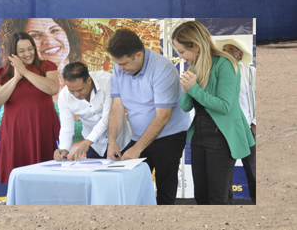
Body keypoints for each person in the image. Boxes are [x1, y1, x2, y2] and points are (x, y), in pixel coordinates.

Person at [173, 22, 255, 205]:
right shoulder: (194, 67)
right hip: (199, 136)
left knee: (218, 198)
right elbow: (185, 107)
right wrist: (187, 87)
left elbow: (225, 106)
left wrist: (193, 88)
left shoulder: (225, 63)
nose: (180, 57)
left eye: (181, 51)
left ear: (195, 46)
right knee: (201, 196)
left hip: (222, 136)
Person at [106, 28, 190, 205]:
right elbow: (117, 106)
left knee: (165, 189)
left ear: (138, 55)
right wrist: (112, 141)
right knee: (130, 188)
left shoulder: (163, 69)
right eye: (117, 64)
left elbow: (163, 116)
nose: (120, 68)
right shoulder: (119, 66)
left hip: (169, 136)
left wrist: (137, 148)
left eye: (124, 64)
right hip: (138, 135)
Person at [0, 32, 60, 184]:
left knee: (44, 178)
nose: (28, 54)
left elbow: (53, 88)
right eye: (21, 51)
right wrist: (15, 78)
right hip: (15, 134)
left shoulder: (47, 66)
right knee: (18, 180)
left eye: (30, 48)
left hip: (41, 131)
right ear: (13, 54)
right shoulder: (3, 73)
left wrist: (26, 72)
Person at [53, 62, 131, 161]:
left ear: (89, 80)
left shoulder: (106, 81)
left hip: (120, 142)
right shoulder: (64, 96)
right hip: (95, 147)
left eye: (80, 90)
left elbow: (108, 118)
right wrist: (64, 150)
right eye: (72, 91)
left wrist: (87, 142)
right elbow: (66, 128)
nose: (76, 95)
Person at [214, 36, 256, 204]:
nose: (226, 53)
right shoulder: (215, 71)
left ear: (239, 55)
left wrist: (255, 123)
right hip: (225, 131)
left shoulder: (251, 72)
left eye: (230, 50)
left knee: (254, 173)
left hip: (247, 129)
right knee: (225, 177)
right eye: (224, 50)